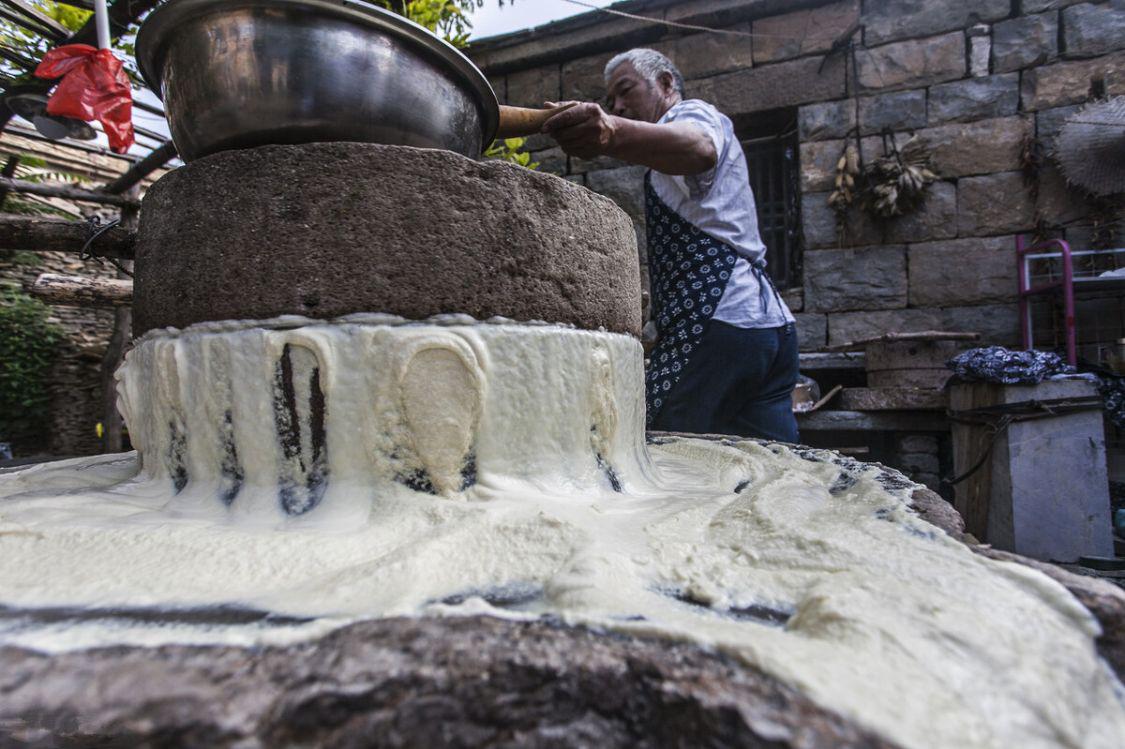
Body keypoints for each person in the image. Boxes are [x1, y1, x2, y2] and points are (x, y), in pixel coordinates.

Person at [542, 48, 799, 442]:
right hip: (768, 330)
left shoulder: (690, 114)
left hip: (719, 324)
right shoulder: (662, 159)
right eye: (611, 102)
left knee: (659, 448)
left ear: (665, 83)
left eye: (626, 91)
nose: (620, 105)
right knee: (774, 463)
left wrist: (611, 131)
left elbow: (699, 147)